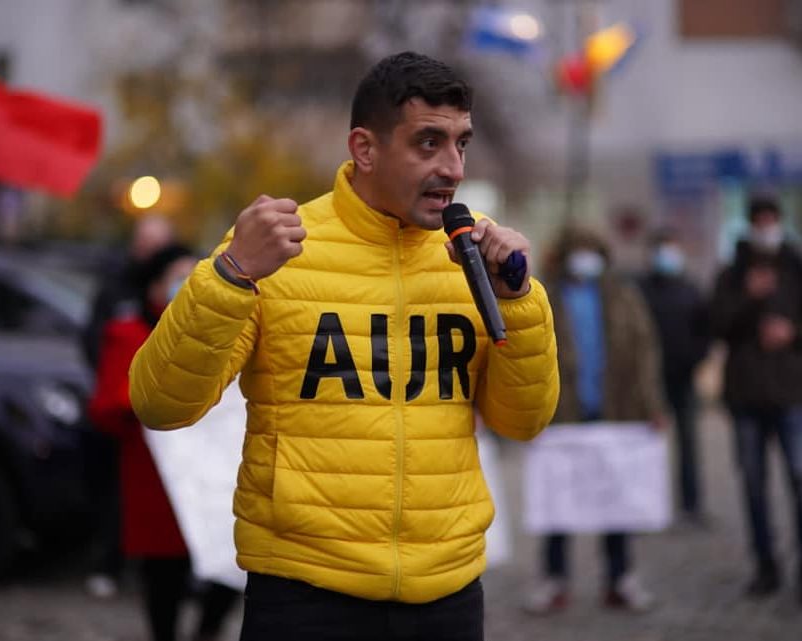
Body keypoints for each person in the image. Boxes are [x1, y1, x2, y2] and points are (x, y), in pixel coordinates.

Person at [128, 51, 560, 641]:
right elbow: (161, 403)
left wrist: (518, 300)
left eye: (462, 143)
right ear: (365, 148)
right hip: (306, 593)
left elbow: (523, 420)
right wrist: (230, 273)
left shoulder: (473, 255)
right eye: (428, 143)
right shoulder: (276, 247)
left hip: (447, 592)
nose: (453, 166)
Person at [88, 244, 240, 641]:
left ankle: (207, 630)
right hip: (155, 483)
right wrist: (146, 398)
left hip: (215, 477)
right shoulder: (128, 334)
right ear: (154, 284)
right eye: (178, 277)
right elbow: (106, 407)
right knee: (164, 577)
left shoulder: (223, 336)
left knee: (229, 561)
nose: (186, 286)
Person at [523, 226, 668, 615]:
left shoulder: (622, 296)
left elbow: (645, 352)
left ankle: (620, 579)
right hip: (563, 415)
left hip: (615, 413)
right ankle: (555, 580)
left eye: (592, 250)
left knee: (615, 500)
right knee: (558, 501)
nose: (585, 258)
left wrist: (653, 405)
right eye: (578, 250)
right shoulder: (543, 296)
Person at [710, 195, 802, 603]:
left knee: (798, 478)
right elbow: (713, 324)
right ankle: (765, 566)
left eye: (771, 219)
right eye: (759, 220)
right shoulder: (732, 273)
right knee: (753, 484)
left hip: (792, 391)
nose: (766, 226)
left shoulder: (796, 267)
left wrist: (792, 333)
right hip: (746, 394)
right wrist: (748, 297)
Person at [81, 213, 176, 598]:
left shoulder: (181, 285)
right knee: (117, 495)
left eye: (156, 243)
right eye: (143, 241)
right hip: (125, 415)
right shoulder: (116, 289)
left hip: (168, 416)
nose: (148, 250)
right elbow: (94, 338)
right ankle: (111, 564)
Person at [638, 227, 711, 524]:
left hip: (683, 376)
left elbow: (705, 329)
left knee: (688, 443)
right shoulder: (640, 289)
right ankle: (643, 505)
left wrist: (695, 358)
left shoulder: (689, 288)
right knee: (644, 444)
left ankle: (691, 504)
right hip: (648, 380)